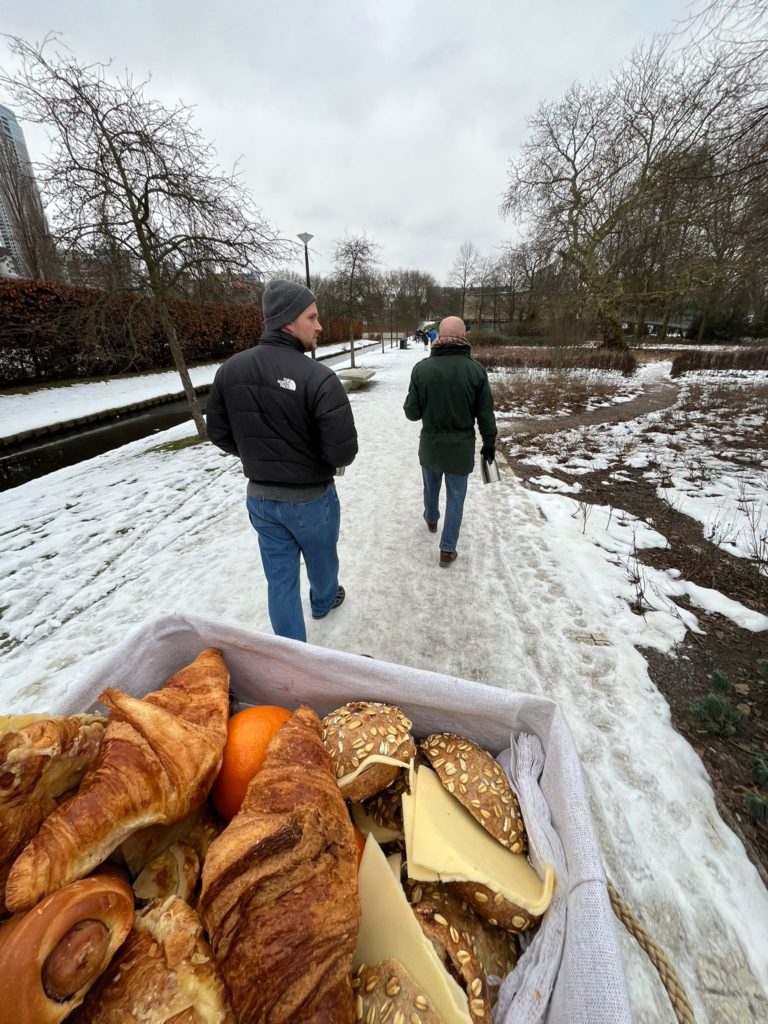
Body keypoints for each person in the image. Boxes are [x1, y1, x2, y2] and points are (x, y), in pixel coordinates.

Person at [206, 279, 358, 640]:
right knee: (322, 560)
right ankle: (323, 601)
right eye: (312, 317)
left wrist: (258, 455)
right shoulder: (319, 378)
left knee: (279, 579)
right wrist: (308, 460)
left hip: (260, 498)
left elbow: (219, 432)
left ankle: (290, 654)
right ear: (288, 321)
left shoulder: (230, 371)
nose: (320, 326)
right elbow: (342, 452)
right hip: (311, 499)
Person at [403, 315, 497, 567]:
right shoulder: (476, 371)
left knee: (430, 487)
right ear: (463, 337)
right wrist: (489, 443)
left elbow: (412, 413)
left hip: (431, 445)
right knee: (456, 497)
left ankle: (431, 518)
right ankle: (447, 549)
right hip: (461, 447)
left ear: (439, 336)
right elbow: (485, 413)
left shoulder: (422, 369)